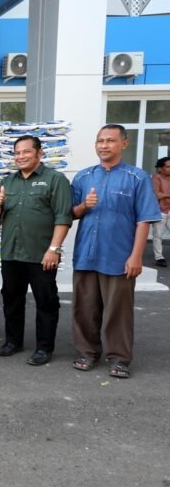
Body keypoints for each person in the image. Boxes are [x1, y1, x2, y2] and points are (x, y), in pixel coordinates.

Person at [70, 125, 161, 379]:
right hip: (87, 254)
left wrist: (136, 256)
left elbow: (145, 219)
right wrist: (83, 206)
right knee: (84, 309)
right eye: (100, 140)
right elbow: (70, 213)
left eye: (110, 140)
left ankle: (119, 358)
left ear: (124, 144)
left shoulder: (137, 177)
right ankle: (87, 353)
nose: (104, 145)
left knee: (118, 311)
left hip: (119, 256)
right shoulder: (83, 177)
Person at [0, 135, 72, 366]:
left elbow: (63, 217)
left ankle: (44, 348)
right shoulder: (7, 181)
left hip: (41, 254)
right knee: (11, 299)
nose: (20, 156)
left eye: (26, 152)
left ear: (39, 153)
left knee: (46, 301)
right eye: (17, 153)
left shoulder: (55, 180)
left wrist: (54, 249)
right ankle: (13, 341)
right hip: (12, 253)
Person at [151, 156, 170, 267]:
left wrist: (165, 195)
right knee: (158, 235)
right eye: (168, 167)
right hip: (160, 211)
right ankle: (159, 257)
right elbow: (156, 195)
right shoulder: (156, 178)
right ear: (160, 168)